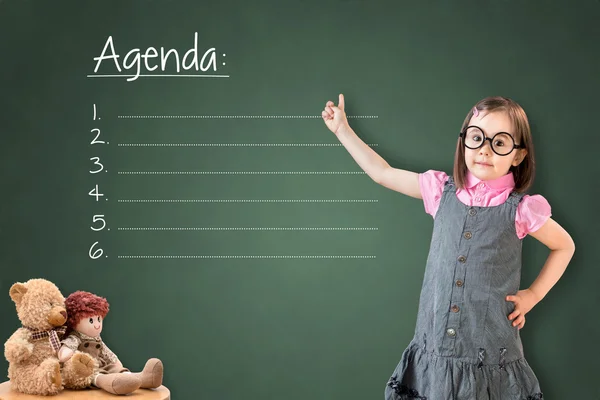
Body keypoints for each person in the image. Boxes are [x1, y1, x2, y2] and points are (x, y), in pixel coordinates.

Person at [321, 94, 575, 399]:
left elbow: (564, 246)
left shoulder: (521, 210)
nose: (484, 149)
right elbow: (383, 174)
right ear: (464, 140)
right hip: (435, 345)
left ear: (517, 156)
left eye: (500, 142)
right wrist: (342, 131)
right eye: (477, 137)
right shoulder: (441, 191)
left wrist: (532, 295)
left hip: (488, 352)